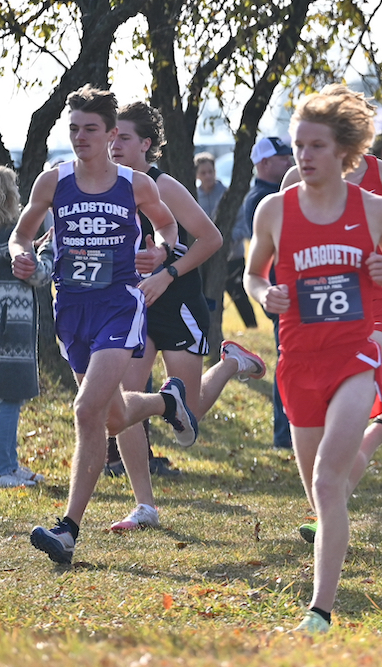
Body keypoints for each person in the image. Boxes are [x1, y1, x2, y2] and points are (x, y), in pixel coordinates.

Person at [244, 87, 382, 634]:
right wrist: (262, 293)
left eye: (316, 145)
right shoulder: (274, 209)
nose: (304, 156)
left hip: (355, 356)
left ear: (344, 151)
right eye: (299, 145)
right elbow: (252, 273)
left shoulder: (375, 209)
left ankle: (320, 609)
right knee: (324, 490)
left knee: (325, 481)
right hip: (298, 361)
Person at [9, 85, 199, 564]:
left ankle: (68, 528)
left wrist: (158, 253)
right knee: (112, 417)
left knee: (85, 411)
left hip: (119, 305)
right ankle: (166, 400)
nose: (80, 138)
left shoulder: (136, 184)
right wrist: (21, 257)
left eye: (90, 129)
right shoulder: (53, 182)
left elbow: (169, 228)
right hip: (72, 310)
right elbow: (21, 233)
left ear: (111, 133)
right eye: (73, 129)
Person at [107, 101, 267, 531]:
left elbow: (211, 239)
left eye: (123, 137)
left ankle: (231, 360)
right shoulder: (105, 186)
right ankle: (144, 505)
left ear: (146, 144)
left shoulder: (165, 186)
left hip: (177, 304)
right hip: (133, 309)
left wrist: (167, 272)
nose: (114, 145)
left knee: (189, 413)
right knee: (124, 401)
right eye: (111, 137)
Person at [0, 165, 53, 488]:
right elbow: (38, 276)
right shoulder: (14, 232)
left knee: (0, 397)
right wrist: (47, 250)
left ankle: (9, 462)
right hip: (10, 327)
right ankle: (1, 468)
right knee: (10, 398)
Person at [241, 136, 294, 450]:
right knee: (289, 361)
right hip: (276, 291)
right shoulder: (263, 199)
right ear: (263, 162)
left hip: (284, 290)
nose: (290, 161)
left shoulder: (275, 194)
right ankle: (283, 434)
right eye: (283, 157)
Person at [197, 151, 257, 329]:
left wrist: (228, 241)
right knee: (207, 296)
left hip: (233, 256)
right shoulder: (193, 196)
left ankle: (253, 329)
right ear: (197, 175)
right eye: (203, 172)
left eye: (210, 171)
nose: (208, 176)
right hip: (205, 259)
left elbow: (243, 225)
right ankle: (210, 330)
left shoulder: (228, 195)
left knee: (239, 295)